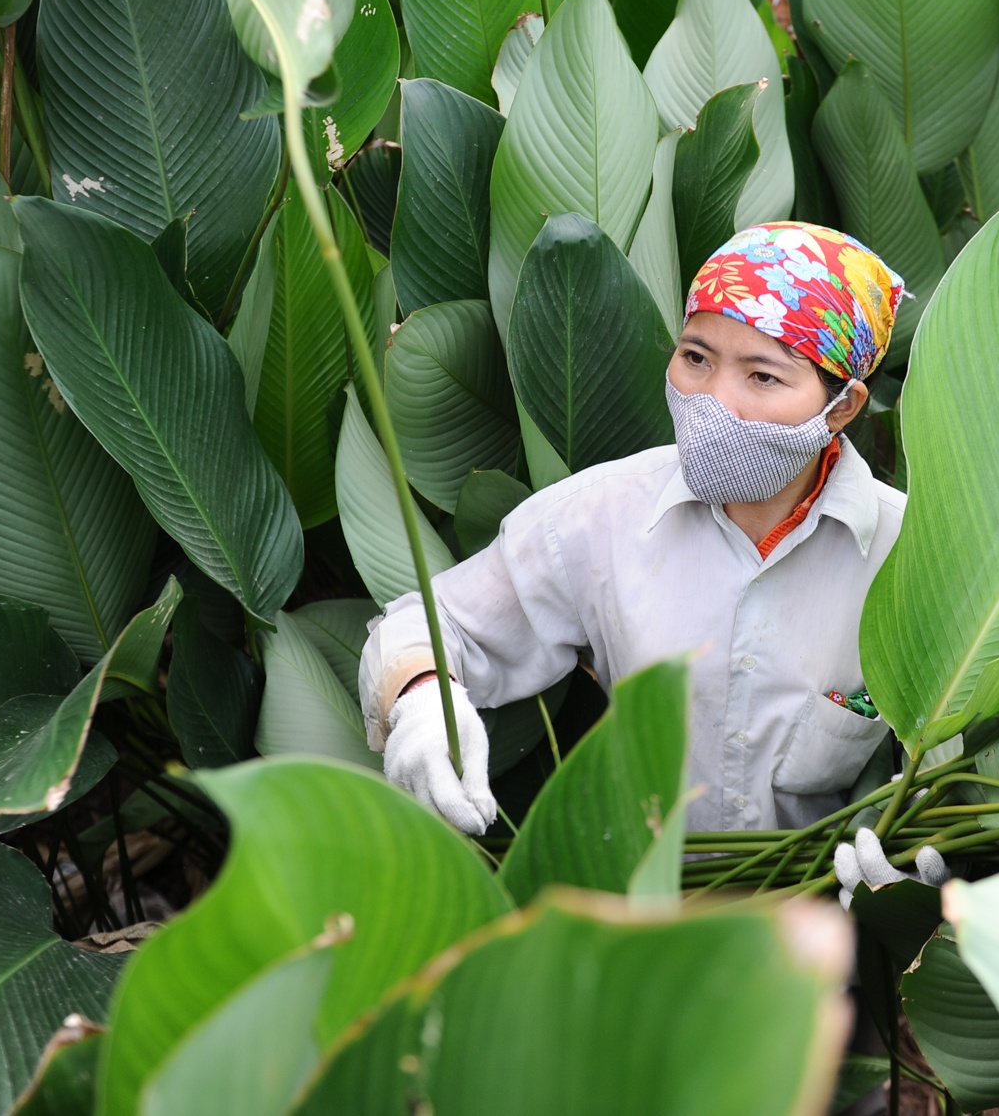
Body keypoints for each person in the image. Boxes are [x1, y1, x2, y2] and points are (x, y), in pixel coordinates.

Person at [359, 221, 947, 897]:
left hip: (818, 949)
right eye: (696, 357)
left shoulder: (910, 555)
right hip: (631, 933)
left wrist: (918, 880)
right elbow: (424, 628)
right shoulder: (602, 513)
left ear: (841, 407)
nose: (712, 402)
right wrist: (421, 701)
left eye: (762, 374)